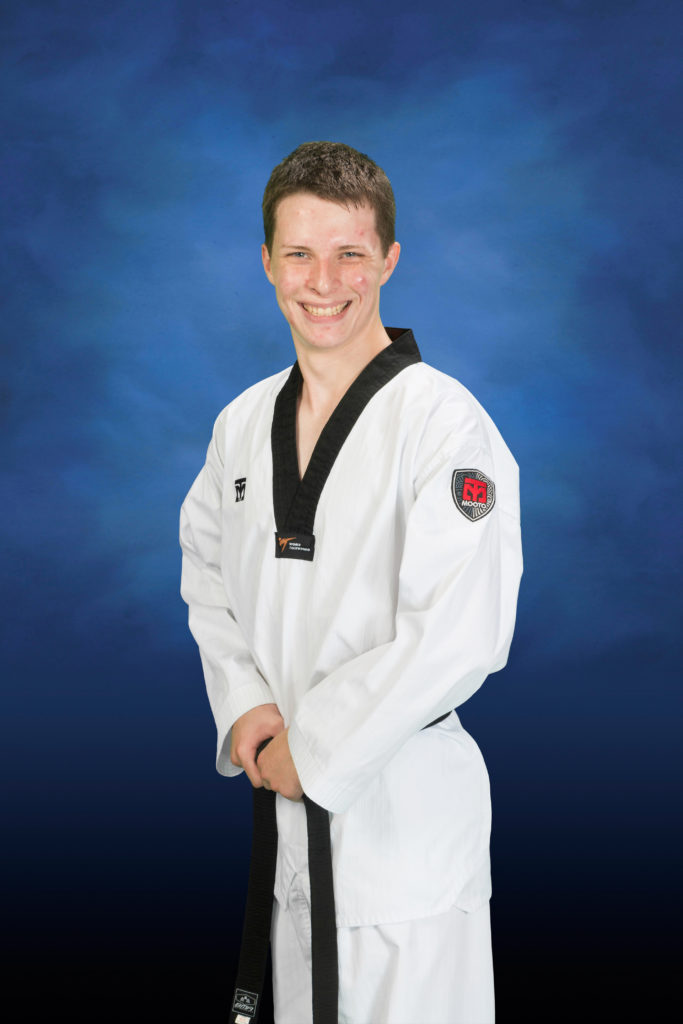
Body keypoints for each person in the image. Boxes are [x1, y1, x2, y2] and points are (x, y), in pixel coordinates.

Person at [179, 141, 522, 1024]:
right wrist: (246, 706)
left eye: (349, 254)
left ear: (390, 260)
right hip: (289, 825)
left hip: (404, 836)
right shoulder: (241, 424)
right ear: (266, 261)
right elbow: (206, 572)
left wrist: (317, 746)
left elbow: (460, 630)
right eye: (299, 253)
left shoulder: (444, 424)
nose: (323, 281)